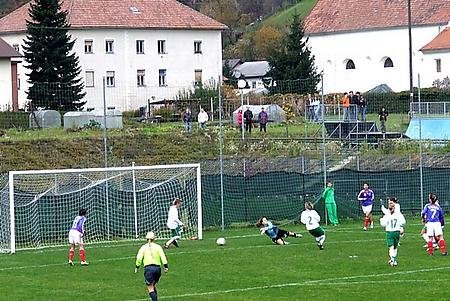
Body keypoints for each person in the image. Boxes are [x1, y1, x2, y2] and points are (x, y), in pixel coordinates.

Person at [135, 231, 169, 301]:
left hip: (149, 269)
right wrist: (166, 266)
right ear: (154, 238)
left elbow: (139, 258)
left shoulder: (143, 247)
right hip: (157, 269)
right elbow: (163, 257)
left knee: (150, 287)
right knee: (153, 285)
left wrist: (137, 267)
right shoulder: (158, 247)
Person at [380, 199, 406, 266]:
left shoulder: (387, 215)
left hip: (389, 232)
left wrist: (381, 220)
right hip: (397, 232)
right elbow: (403, 222)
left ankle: (392, 259)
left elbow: (383, 224)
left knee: (391, 247)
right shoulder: (398, 215)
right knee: (395, 247)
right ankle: (394, 260)